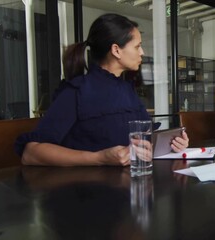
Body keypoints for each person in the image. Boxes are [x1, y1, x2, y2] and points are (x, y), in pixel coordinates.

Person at [15, 13, 188, 166]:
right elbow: (31, 153)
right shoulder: (77, 90)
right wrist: (99, 158)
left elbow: (144, 138)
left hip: (128, 190)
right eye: (137, 46)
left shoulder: (127, 89)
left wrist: (172, 143)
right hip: (86, 196)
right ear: (116, 50)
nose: (142, 52)